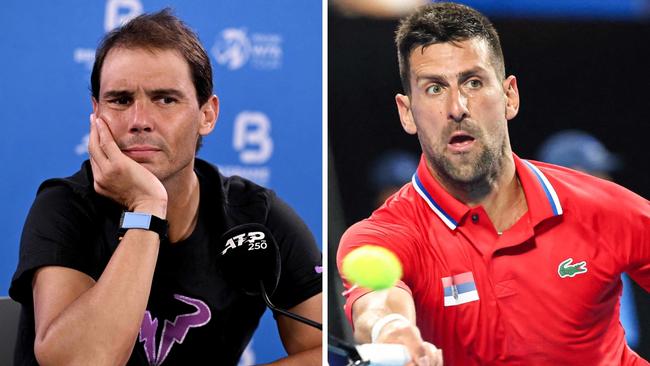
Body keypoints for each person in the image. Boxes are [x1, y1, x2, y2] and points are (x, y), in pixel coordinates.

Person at [336, 3, 649, 365]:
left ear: (509, 96)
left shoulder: (601, 207)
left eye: (473, 82)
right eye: (435, 88)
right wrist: (393, 331)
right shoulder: (382, 237)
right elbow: (378, 305)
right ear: (407, 112)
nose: (457, 107)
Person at [9, 10, 322, 365]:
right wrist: (146, 207)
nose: (139, 121)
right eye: (121, 100)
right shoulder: (64, 206)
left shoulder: (254, 217)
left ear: (207, 114)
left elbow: (327, 350)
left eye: (165, 99)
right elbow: (80, 361)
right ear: (96, 114)